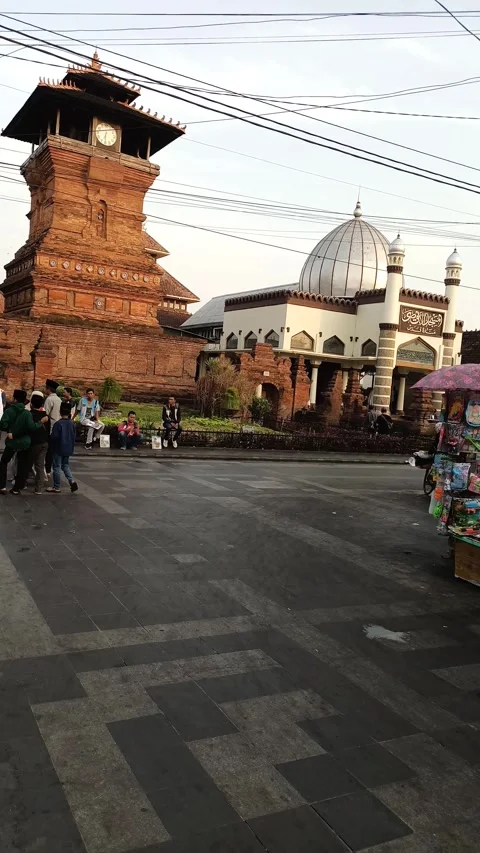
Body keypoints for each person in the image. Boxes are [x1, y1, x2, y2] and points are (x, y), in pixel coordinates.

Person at [0, 389, 48, 494]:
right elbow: (32, 427)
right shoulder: (27, 413)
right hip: (25, 442)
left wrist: (10, 430)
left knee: (4, 461)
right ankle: (17, 488)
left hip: (12, 442)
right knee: (22, 464)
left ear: (14, 399)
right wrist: (41, 422)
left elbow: (3, 424)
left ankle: (2, 486)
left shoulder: (9, 411)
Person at [47, 402, 78, 494]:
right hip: (68, 448)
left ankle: (56, 486)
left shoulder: (58, 424)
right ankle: (71, 481)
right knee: (65, 465)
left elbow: (54, 437)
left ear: (60, 412)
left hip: (58, 448)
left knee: (56, 466)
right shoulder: (72, 423)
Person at [28, 393, 49, 494]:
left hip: (33, 443)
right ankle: (39, 488)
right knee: (40, 465)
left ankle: (21, 483)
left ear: (31, 404)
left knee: (26, 463)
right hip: (44, 442)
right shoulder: (46, 416)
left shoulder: (29, 415)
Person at [44, 379, 62, 478]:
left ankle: (46, 469)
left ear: (48, 389)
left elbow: (45, 414)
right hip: (57, 427)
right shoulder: (59, 399)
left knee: (47, 450)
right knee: (52, 451)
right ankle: (49, 469)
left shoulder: (49, 399)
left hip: (50, 427)